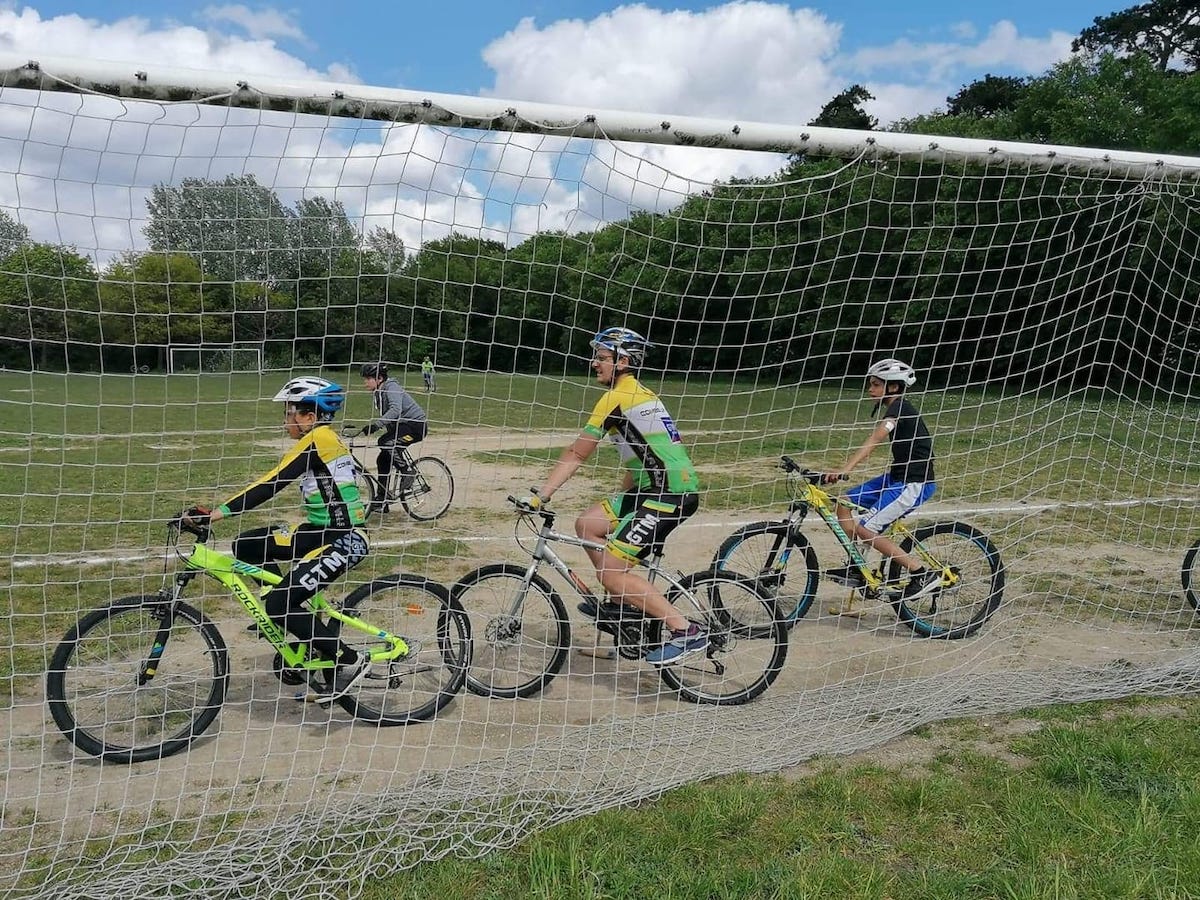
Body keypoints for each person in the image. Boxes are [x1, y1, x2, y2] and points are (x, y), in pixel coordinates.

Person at [179, 376, 372, 702]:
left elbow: (272, 483)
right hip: (317, 532)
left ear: (309, 417)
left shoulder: (318, 440)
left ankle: (346, 658)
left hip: (344, 539)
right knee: (246, 547)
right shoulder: (321, 438)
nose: (285, 421)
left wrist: (217, 513)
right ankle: (295, 626)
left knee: (279, 603)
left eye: (289, 413)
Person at [522, 327, 705, 666]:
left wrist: (540, 497)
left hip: (670, 494)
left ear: (622, 362)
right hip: (651, 489)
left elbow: (577, 454)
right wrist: (621, 501)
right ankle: (622, 618)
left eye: (602, 358)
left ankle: (684, 631)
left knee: (610, 572)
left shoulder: (616, 398)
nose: (595, 364)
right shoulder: (640, 394)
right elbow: (644, 454)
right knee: (588, 524)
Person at [821, 358, 940, 601]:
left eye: (875, 384)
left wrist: (845, 468)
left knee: (867, 527)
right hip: (895, 478)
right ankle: (857, 565)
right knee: (844, 503)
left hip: (914, 483)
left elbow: (875, 439)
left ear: (893, 387)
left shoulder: (899, 409)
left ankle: (920, 573)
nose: (870, 389)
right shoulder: (894, 409)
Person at [357, 363, 428, 504]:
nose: (365, 382)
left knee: (385, 442)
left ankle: (407, 472)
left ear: (379, 378)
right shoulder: (378, 392)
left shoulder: (391, 387)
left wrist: (376, 425)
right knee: (383, 459)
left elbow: (396, 410)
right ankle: (382, 500)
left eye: (368, 378)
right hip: (403, 427)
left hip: (415, 426)